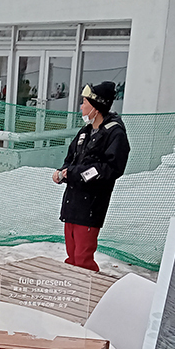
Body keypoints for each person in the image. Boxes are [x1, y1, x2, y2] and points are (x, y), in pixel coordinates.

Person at [52, 80, 129, 272]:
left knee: (82, 258)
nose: (81, 106)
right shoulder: (85, 132)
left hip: (91, 206)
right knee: (72, 255)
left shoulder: (114, 134)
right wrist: (63, 172)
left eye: (84, 102)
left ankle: (88, 288)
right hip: (72, 204)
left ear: (96, 106)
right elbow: (71, 159)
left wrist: (76, 174)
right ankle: (70, 285)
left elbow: (110, 168)